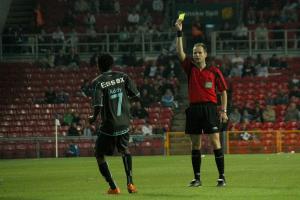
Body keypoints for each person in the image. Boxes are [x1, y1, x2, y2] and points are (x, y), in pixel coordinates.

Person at [175, 18, 228, 187]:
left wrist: (224, 111)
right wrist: (179, 32)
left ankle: (221, 177)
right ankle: (197, 178)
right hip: (194, 110)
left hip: (210, 109)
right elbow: (180, 53)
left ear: (205, 54)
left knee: (215, 142)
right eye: (194, 52)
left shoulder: (213, 70)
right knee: (195, 145)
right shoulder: (189, 68)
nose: (196, 54)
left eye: (199, 52)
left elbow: (223, 92)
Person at [89, 53, 140, 194]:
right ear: (112, 64)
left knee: (99, 154)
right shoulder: (123, 77)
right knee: (125, 150)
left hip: (109, 125)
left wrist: (93, 118)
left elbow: (98, 105)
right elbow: (137, 96)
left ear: (98, 66)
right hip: (124, 122)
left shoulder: (97, 82)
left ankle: (113, 187)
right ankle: (130, 184)